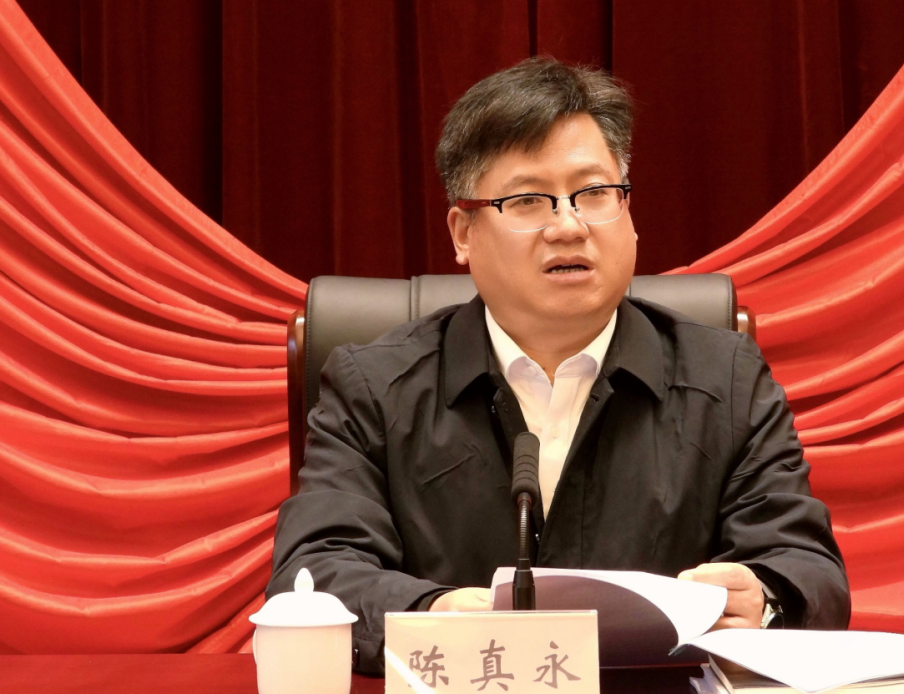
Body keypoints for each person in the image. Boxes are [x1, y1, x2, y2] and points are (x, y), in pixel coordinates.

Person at [268, 58, 850, 675]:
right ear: (463, 233)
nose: (569, 225)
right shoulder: (373, 387)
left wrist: (762, 599)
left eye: (594, 194)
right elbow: (314, 572)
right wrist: (433, 612)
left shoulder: (725, 378)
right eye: (528, 200)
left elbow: (806, 568)